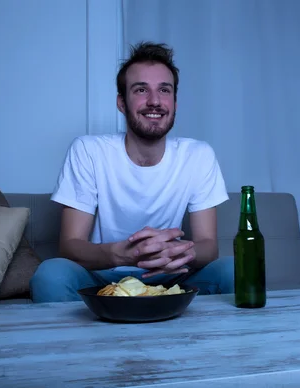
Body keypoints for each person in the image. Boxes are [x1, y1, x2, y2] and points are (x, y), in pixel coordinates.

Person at [29, 41, 234, 303]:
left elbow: (208, 245)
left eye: (164, 90)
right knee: (51, 274)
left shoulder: (198, 155)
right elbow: (70, 245)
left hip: (172, 276)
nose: (154, 101)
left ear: (175, 101)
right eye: (140, 90)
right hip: (104, 277)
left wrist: (177, 252)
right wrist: (123, 255)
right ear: (121, 103)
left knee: (233, 270)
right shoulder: (88, 151)